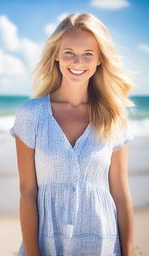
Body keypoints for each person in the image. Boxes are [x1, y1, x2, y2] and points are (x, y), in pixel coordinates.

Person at [10, 13, 135, 256]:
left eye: (88, 53)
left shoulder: (114, 116)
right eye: (69, 52)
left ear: (100, 59)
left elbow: (120, 193)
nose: (78, 61)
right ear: (56, 54)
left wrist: (128, 253)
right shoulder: (31, 115)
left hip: (103, 245)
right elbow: (27, 191)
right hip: (48, 245)